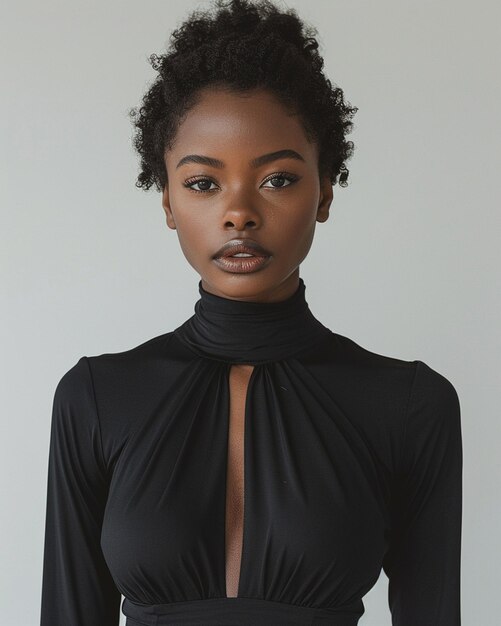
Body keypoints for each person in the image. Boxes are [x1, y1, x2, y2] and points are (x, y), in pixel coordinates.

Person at [40, 0, 463, 624]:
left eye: (278, 179)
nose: (239, 214)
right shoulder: (94, 398)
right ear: (166, 201)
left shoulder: (410, 405)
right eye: (204, 183)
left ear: (324, 193)